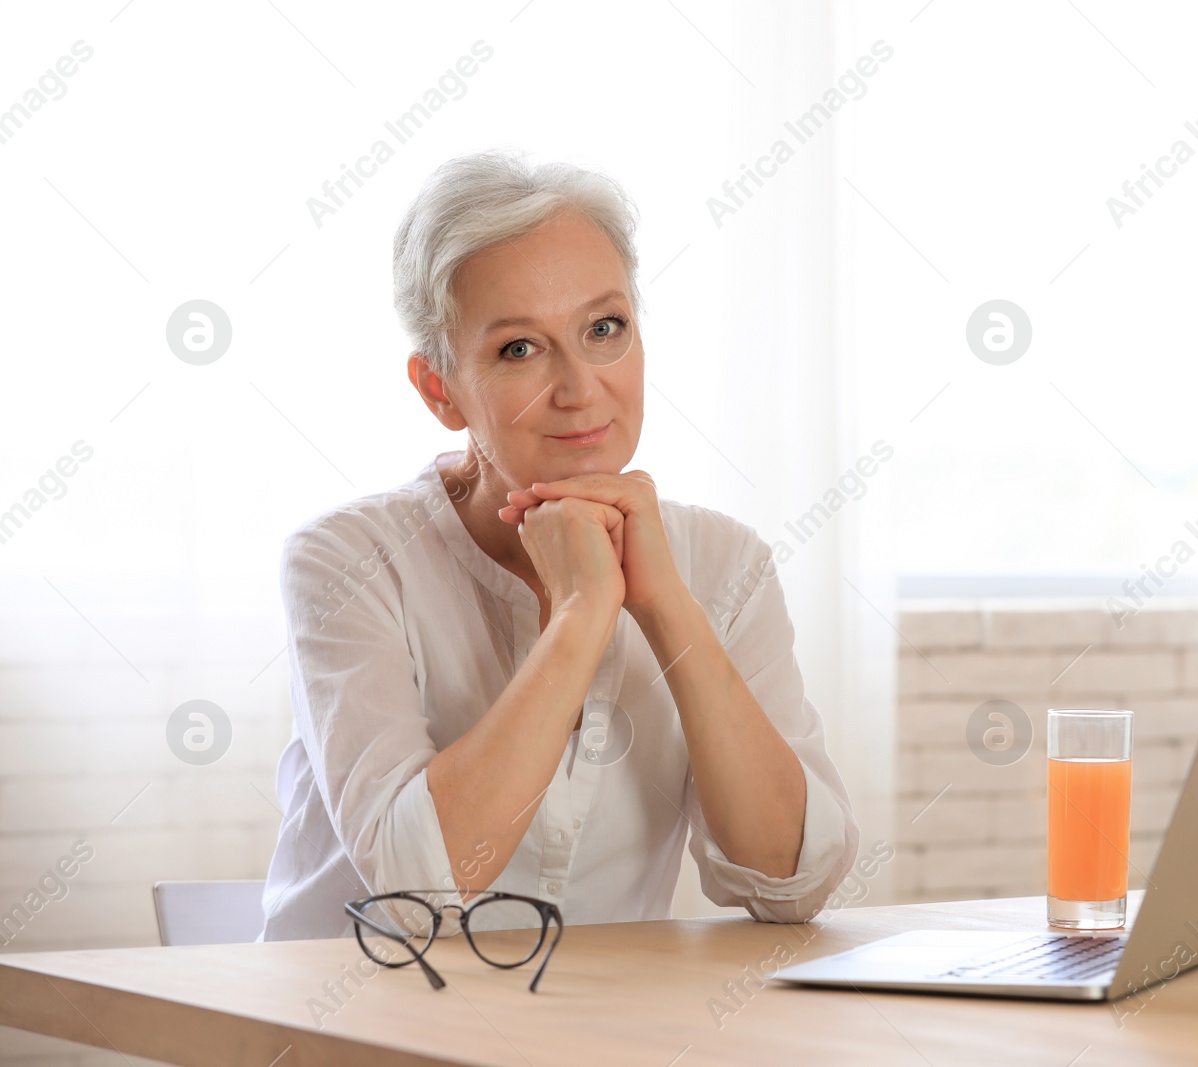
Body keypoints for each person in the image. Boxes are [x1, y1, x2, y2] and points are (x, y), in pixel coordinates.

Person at [260, 150, 859, 940]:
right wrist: (582, 613)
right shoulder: (345, 561)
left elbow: (794, 883)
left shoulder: (724, 562)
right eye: (519, 348)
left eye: (603, 329)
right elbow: (416, 894)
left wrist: (667, 607)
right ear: (440, 389)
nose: (579, 388)